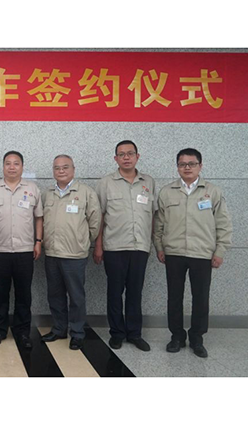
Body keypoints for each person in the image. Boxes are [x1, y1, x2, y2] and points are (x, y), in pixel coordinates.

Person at [154, 148, 232, 358]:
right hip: (174, 253)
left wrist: (220, 251)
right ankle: (177, 336)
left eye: (192, 164)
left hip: (202, 253)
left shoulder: (212, 192)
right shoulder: (167, 192)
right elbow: (158, 224)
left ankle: (197, 337)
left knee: (201, 298)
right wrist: (160, 248)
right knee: (174, 297)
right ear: (177, 167)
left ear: (200, 166)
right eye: (182, 164)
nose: (187, 168)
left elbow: (223, 224)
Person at [94, 140, 154, 352]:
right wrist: (98, 245)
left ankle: (135, 334)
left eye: (130, 153)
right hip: (114, 247)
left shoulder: (148, 182)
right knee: (114, 292)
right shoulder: (106, 183)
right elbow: (100, 216)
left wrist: (152, 243)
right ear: (116, 158)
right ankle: (117, 334)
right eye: (122, 154)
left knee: (135, 293)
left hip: (140, 247)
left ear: (138, 156)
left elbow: (153, 215)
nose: (126, 157)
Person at [40, 155, 101, 350]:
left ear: (73, 169)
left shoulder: (85, 192)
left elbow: (95, 221)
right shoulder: (47, 194)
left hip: (74, 255)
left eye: (65, 167)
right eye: (57, 168)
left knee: (76, 296)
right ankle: (59, 329)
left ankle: (77, 332)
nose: (61, 171)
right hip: (52, 253)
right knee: (55, 295)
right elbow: (41, 220)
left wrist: (83, 240)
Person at [0, 151, 43, 349]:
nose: (12, 167)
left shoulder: (32, 189)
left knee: (23, 294)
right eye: (8, 163)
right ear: (3, 166)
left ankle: (22, 332)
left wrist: (38, 241)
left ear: (22, 167)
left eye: (16, 163)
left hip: (25, 250)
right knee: (0, 294)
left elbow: (39, 217)